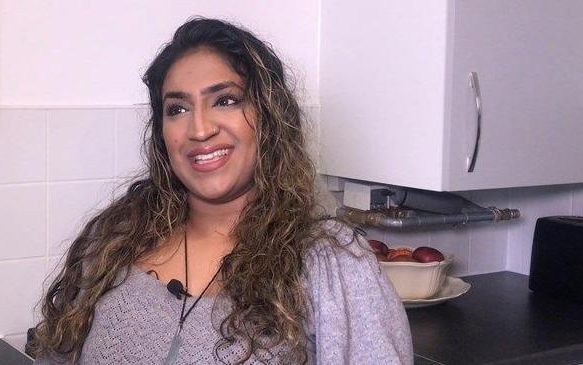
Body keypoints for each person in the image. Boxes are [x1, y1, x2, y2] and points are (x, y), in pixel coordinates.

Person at [30, 17, 412, 364]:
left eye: (225, 101)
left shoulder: (332, 265)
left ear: (268, 117)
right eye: (177, 109)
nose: (199, 129)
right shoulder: (116, 241)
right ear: (162, 135)